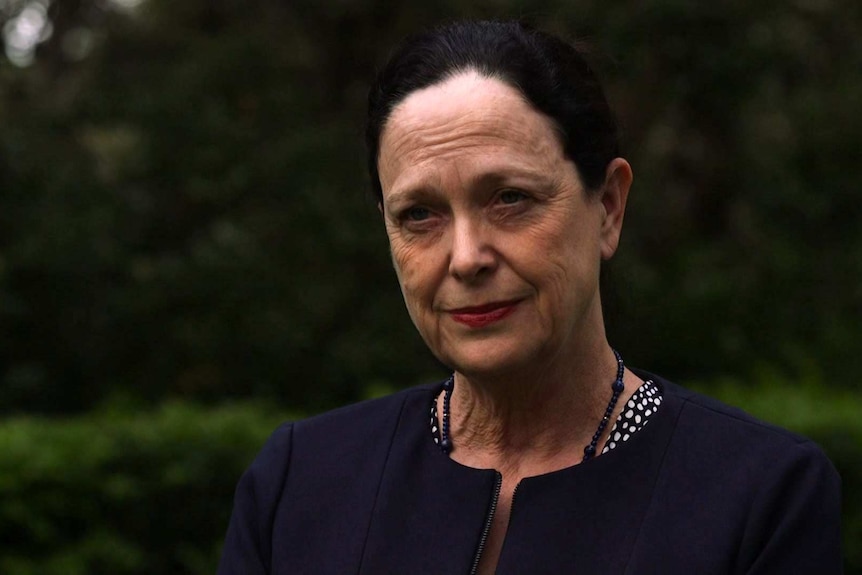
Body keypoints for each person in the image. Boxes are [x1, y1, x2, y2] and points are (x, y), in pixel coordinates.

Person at [217, 20, 842, 574]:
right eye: (420, 214)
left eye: (509, 198)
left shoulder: (760, 496)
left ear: (608, 206)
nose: (466, 257)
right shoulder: (300, 483)